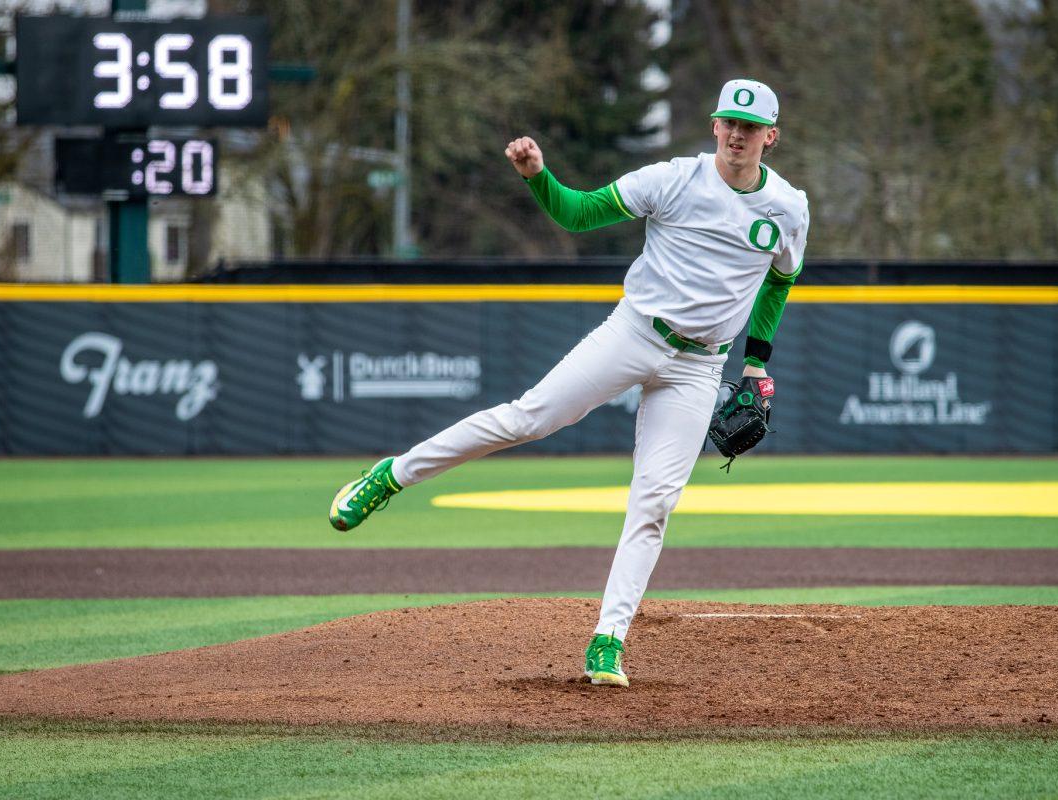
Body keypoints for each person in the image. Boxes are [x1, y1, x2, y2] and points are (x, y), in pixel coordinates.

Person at [329, 78, 809, 687]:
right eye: (728, 123)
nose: (737, 135)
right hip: (635, 332)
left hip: (699, 366)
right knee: (527, 418)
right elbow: (579, 214)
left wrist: (756, 362)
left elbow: (780, 279)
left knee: (655, 502)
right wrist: (538, 176)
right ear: (714, 126)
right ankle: (390, 475)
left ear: (770, 136)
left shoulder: (789, 207)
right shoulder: (673, 180)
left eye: (749, 126)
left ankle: (607, 642)